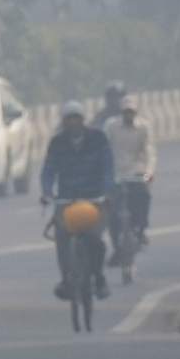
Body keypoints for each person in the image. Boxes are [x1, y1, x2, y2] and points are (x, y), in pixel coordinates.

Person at [41, 100, 116, 300]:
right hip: (67, 199)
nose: (73, 123)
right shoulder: (57, 143)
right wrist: (47, 192)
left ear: (83, 120)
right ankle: (66, 278)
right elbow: (48, 171)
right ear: (64, 122)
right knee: (62, 238)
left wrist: (107, 192)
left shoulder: (98, 139)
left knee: (94, 239)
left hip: (94, 199)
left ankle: (99, 278)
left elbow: (107, 168)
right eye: (69, 119)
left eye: (76, 118)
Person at [102, 95, 157, 244]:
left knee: (143, 196)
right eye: (126, 112)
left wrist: (149, 171)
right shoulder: (111, 126)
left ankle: (141, 230)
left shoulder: (144, 127)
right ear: (121, 112)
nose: (129, 115)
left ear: (136, 112)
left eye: (131, 112)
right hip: (116, 173)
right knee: (112, 211)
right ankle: (115, 246)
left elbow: (149, 151)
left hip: (136, 172)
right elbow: (104, 149)